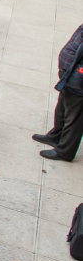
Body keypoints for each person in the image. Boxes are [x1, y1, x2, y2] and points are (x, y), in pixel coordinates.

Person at [34, 22, 83, 161]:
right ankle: (56, 136)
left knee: (74, 118)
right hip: (69, 77)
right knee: (62, 108)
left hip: (78, 82)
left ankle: (65, 152)